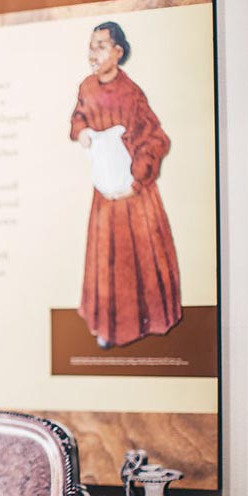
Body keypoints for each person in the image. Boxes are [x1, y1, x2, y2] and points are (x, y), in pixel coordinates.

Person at [70, 21, 182, 348]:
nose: (93, 54)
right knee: (105, 262)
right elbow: (78, 117)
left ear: (118, 52)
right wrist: (82, 131)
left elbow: (156, 139)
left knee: (136, 261)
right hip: (104, 194)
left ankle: (144, 325)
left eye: (101, 46)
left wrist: (138, 179)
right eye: (91, 46)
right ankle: (107, 328)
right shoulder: (86, 88)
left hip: (133, 197)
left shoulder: (131, 93)